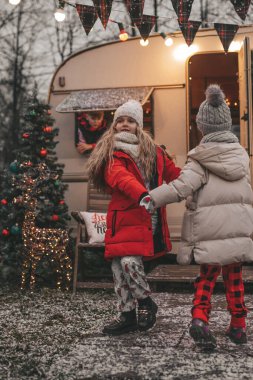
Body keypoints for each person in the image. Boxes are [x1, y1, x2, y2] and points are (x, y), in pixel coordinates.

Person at [148, 84, 253, 350]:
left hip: (209, 231)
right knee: (235, 278)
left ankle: (200, 319)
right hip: (238, 230)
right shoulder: (242, 157)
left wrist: (153, 197)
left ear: (202, 128)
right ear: (228, 126)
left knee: (207, 277)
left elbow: (180, 188)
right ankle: (239, 327)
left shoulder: (199, 159)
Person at [88, 99, 181, 335]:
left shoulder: (155, 152)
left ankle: (146, 302)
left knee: (129, 262)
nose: (125, 124)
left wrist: (194, 179)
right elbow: (120, 178)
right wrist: (142, 194)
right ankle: (128, 314)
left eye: (130, 120)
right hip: (123, 219)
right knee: (119, 269)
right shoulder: (110, 153)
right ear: (114, 126)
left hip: (147, 218)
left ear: (139, 125)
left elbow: (175, 174)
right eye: (120, 121)